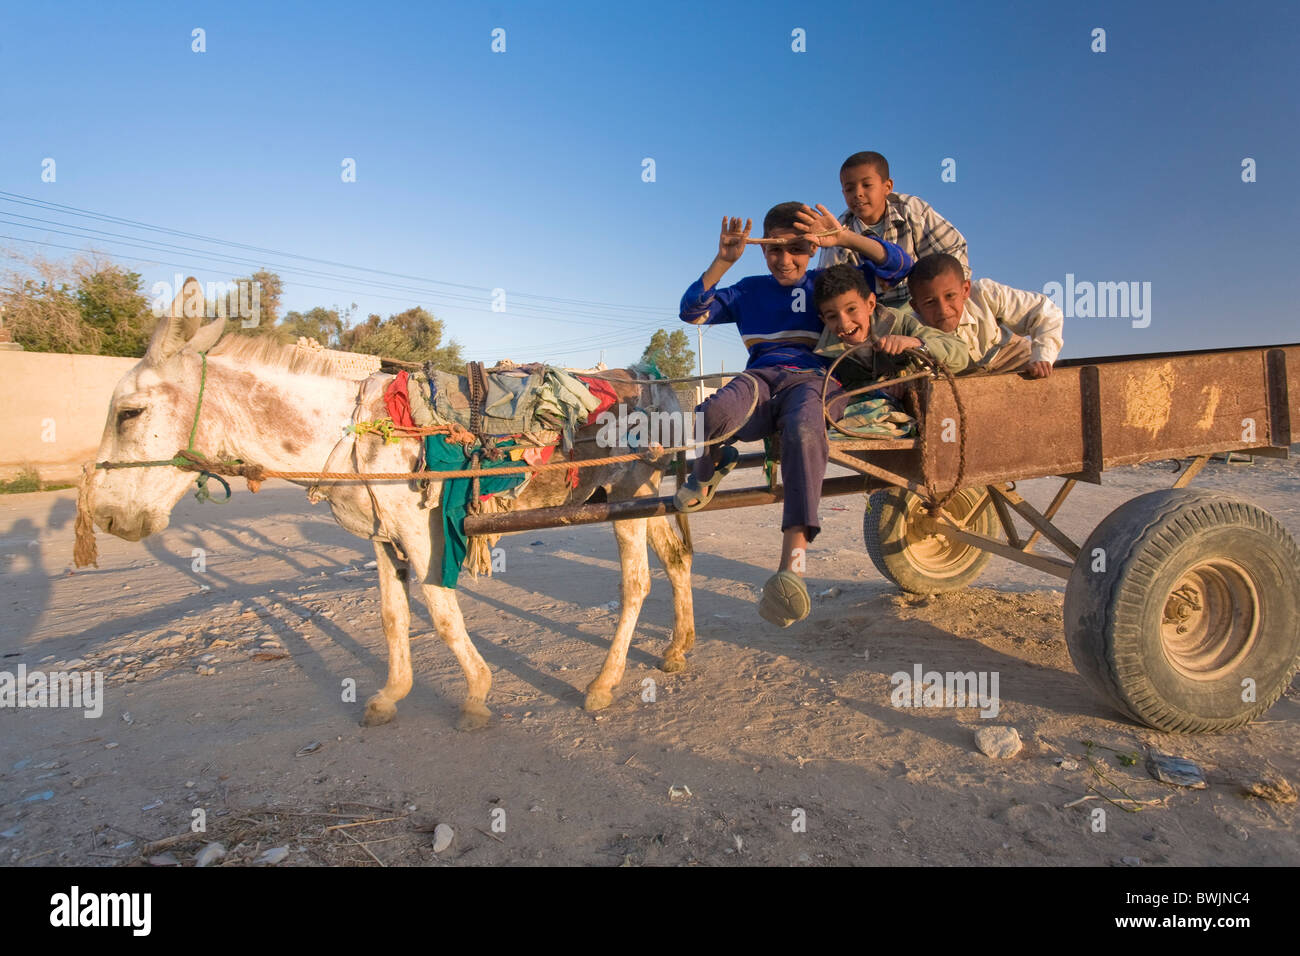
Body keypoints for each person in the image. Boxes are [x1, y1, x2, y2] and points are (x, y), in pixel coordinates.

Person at [676, 202, 911, 627]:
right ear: (761, 251)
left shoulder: (826, 284)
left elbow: (899, 265)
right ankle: (707, 471)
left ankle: (792, 565)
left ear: (812, 248)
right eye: (774, 250)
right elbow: (691, 311)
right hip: (761, 379)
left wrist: (843, 240)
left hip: (816, 380)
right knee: (707, 417)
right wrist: (722, 262)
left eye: (797, 248)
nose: (786, 260)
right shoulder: (748, 289)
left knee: (805, 430)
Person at [818, 150, 968, 309]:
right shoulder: (839, 230)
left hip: (923, 301)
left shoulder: (911, 210)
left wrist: (946, 293)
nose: (858, 194)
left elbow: (954, 249)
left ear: (887, 186)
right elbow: (829, 286)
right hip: (873, 310)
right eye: (849, 189)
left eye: (867, 185)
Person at [812, 264, 970, 390]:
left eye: (851, 309)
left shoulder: (898, 323)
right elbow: (840, 390)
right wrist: (879, 389)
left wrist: (915, 343)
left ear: (870, 304)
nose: (844, 323)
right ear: (823, 320)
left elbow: (960, 354)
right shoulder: (827, 354)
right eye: (832, 316)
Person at [907, 254, 1064, 377]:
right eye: (929, 302)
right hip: (956, 377)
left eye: (950, 296)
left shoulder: (984, 293)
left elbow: (1044, 311)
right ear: (916, 307)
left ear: (966, 290)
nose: (943, 310)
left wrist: (1042, 357)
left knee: (1051, 380)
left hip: (1009, 355)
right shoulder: (913, 330)